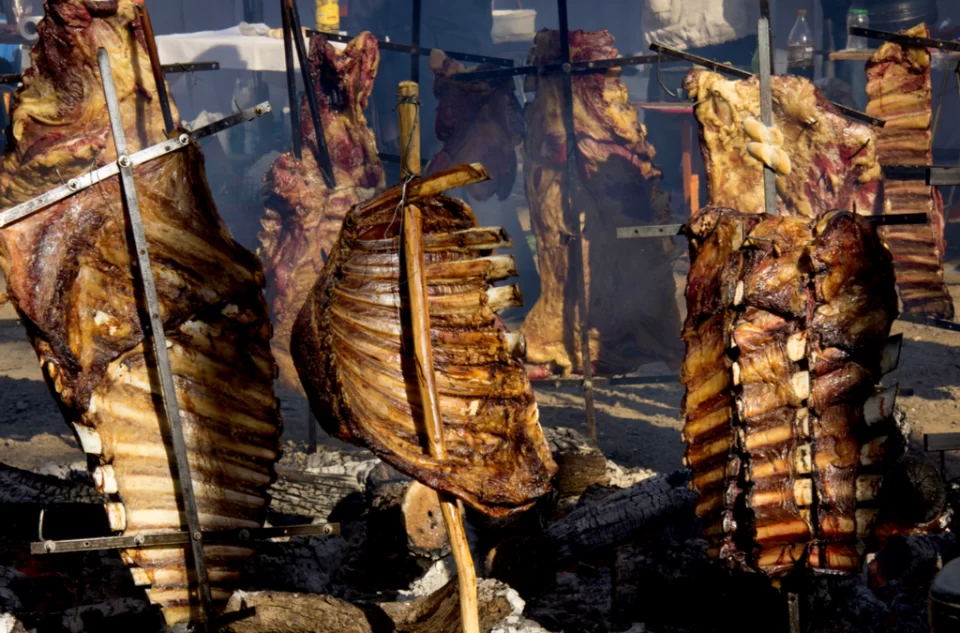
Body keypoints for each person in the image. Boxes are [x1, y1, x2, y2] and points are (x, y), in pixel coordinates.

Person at [642, 0, 758, 196]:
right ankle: (660, 216)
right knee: (662, 164)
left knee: (736, 159)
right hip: (672, 37)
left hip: (733, 35)